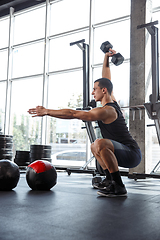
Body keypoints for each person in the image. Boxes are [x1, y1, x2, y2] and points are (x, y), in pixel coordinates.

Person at [28, 49, 141, 197]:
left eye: (95, 89)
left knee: (100, 143)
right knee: (94, 145)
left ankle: (119, 186)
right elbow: (106, 78)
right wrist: (106, 58)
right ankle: (109, 180)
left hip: (131, 154)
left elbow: (73, 113)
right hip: (122, 151)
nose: (93, 93)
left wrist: (47, 111)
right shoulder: (111, 99)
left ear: (104, 90)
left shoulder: (106, 111)